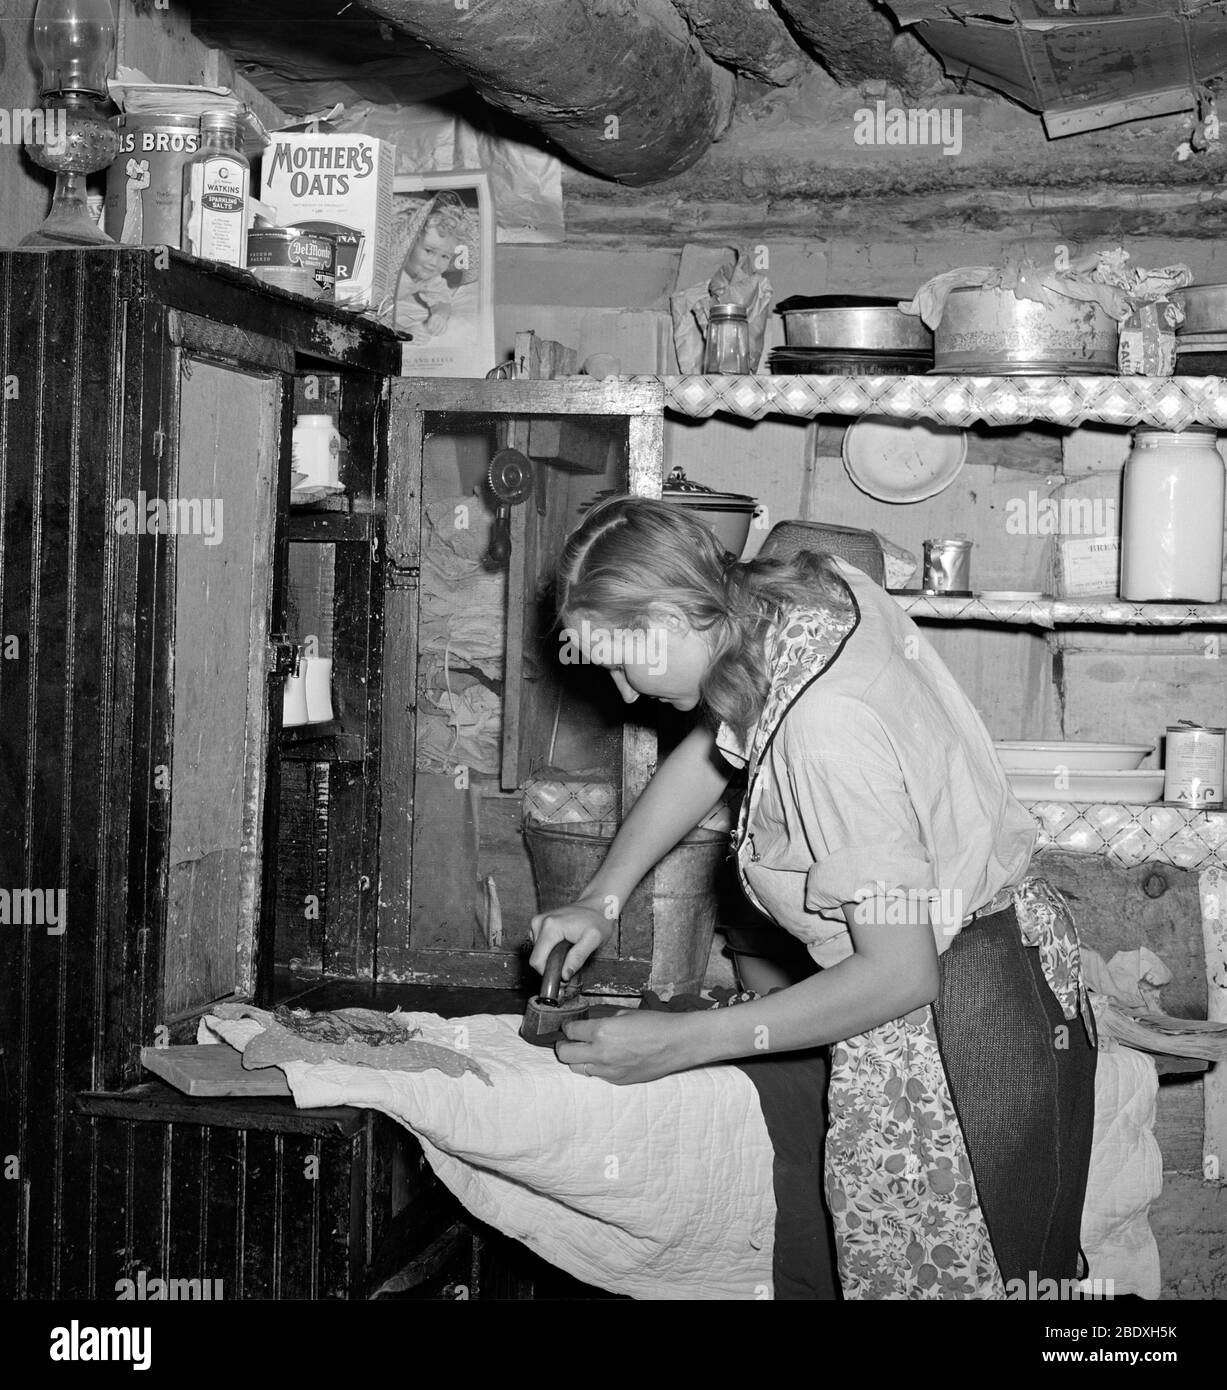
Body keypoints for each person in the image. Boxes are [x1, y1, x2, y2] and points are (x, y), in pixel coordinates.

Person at [529, 495, 1098, 1299]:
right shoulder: (795, 593)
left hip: (954, 1029)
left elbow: (897, 975)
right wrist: (603, 894)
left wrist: (680, 1043)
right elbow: (718, 737)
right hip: (1007, 971)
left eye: (625, 660)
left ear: (676, 612)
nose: (621, 692)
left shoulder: (827, 733)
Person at [392, 190, 471, 337]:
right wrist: (399, 331)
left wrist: (439, 315)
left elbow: (441, 298)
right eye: (428, 251)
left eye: (445, 256)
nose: (434, 263)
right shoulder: (392, 272)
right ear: (409, 244)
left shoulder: (429, 277)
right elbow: (370, 311)